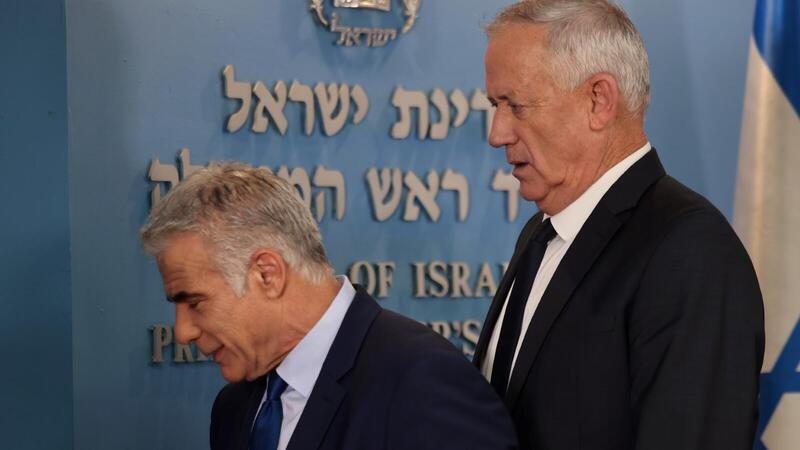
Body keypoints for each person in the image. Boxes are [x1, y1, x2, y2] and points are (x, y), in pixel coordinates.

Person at [472, 1, 765, 449]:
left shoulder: (690, 250)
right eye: (496, 104)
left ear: (599, 100)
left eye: (517, 106)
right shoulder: (540, 235)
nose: (497, 133)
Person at [140, 162, 517, 450]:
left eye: (195, 302)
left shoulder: (421, 383)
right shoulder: (234, 408)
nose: (183, 331)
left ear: (267, 274)